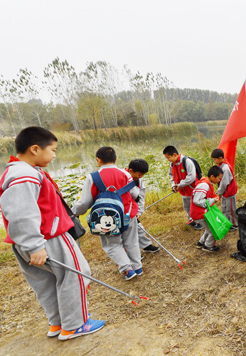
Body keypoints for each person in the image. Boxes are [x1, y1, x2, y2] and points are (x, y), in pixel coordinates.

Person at [0, 126, 105, 340]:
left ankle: (58, 323)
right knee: (76, 274)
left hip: (29, 240)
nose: (55, 155)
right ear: (35, 149)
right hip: (49, 237)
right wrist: (34, 245)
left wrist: (30, 243)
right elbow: (21, 212)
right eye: (54, 150)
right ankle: (75, 325)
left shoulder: (16, 170)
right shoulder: (25, 174)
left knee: (45, 282)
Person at [73, 147, 142, 280]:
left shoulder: (92, 177)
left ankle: (128, 270)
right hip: (128, 213)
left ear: (98, 160)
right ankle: (137, 267)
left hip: (106, 217)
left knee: (112, 244)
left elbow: (85, 202)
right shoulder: (126, 174)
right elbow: (134, 194)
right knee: (131, 241)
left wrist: (75, 213)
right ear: (116, 159)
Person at [163, 145, 203, 230]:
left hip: (192, 189)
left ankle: (200, 222)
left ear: (174, 154)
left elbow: (191, 177)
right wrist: (173, 185)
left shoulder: (187, 162)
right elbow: (171, 176)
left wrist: (180, 185)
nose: (168, 160)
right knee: (187, 207)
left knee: (195, 207)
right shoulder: (172, 164)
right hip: (183, 191)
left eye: (168, 157)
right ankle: (191, 220)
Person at [126, 159, 159, 253]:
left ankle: (146, 245)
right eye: (139, 175)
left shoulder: (138, 180)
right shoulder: (121, 178)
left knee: (139, 228)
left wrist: (139, 211)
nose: (141, 177)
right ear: (131, 171)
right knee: (128, 234)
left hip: (133, 210)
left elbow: (141, 196)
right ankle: (132, 254)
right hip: (124, 210)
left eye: (142, 175)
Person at [190, 165, 223, 252]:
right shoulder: (204, 185)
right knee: (213, 229)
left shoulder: (207, 183)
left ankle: (201, 243)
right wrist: (212, 200)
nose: (219, 180)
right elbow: (197, 200)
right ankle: (208, 246)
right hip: (199, 213)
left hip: (200, 212)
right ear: (212, 176)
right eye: (219, 178)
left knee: (208, 228)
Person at [211, 149, 238, 230]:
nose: (214, 161)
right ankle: (226, 222)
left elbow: (224, 183)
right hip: (224, 192)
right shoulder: (221, 166)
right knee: (224, 208)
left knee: (231, 209)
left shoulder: (225, 168)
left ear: (220, 158)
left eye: (215, 159)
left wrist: (218, 192)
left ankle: (235, 224)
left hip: (229, 191)